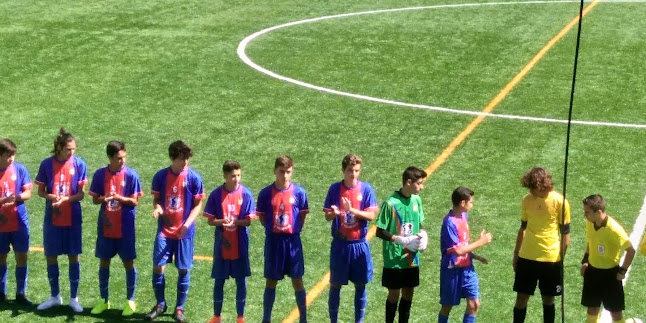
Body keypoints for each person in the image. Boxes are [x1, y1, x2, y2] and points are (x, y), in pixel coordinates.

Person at [145, 140, 205, 323]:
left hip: (184, 232)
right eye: (181, 158)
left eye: (187, 158)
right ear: (172, 158)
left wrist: (187, 224)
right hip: (164, 230)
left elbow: (198, 205)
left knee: (183, 269)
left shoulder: (194, 178)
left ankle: (179, 308)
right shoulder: (160, 177)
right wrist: (158, 208)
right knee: (158, 266)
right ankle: (160, 304)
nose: (185, 162)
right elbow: (156, 200)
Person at [35, 128, 88, 312]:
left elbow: (81, 195)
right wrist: (52, 198)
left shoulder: (80, 164)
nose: (72, 153)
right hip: (53, 217)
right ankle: (55, 296)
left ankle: (74, 298)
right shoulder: (46, 165)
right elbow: (40, 191)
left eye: (73, 149)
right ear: (59, 147)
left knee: (74, 256)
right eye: (68, 149)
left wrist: (66, 199)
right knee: (51, 256)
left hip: (73, 217)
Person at [88, 141, 143, 316]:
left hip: (125, 227)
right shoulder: (99, 175)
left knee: (128, 262)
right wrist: (103, 199)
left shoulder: (131, 175)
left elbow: (135, 202)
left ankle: (130, 301)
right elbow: (94, 199)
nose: (122, 161)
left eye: (124, 157)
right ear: (110, 157)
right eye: (119, 158)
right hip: (105, 225)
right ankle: (104, 301)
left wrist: (119, 197)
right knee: (104, 261)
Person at [323, 154, 378, 323]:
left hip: (359, 244)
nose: (353, 174)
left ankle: (359, 321)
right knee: (335, 285)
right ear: (343, 170)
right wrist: (335, 213)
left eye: (356, 171)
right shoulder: (334, 189)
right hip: (340, 244)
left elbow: (371, 215)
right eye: (350, 170)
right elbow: (327, 217)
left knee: (361, 285)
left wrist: (352, 210)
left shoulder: (366, 189)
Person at [512, 167, 570, 323]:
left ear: (540, 185)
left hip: (550, 259)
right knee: (521, 298)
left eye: (532, 187)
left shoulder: (560, 201)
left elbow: (565, 233)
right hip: (527, 256)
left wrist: (560, 258)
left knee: (548, 299)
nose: (530, 190)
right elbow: (523, 228)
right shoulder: (526, 200)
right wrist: (516, 254)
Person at [257, 155, 309, 323]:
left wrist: (294, 231)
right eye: (281, 172)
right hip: (274, 243)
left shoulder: (299, 193)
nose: (285, 176)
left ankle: (304, 319)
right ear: (274, 171)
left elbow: (302, 215)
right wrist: (272, 229)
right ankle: (266, 319)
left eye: (288, 172)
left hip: (292, 242)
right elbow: (262, 217)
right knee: (271, 281)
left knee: (297, 280)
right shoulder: (266, 194)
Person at [204, 160, 256, 323]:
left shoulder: (246, 194)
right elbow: (210, 221)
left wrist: (235, 222)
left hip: (240, 244)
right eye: (233, 176)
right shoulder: (216, 195)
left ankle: (240, 317)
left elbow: (248, 221)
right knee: (219, 281)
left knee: (241, 281)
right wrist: (222, 222)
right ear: (225, 176)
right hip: (222, 245)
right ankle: (216, 316)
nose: (236, 179)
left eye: (238, 175)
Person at [375, 166, 428, 323]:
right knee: (393, 295)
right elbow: (379, 231)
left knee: (409, 293)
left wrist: (424, 236)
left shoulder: (417, 200)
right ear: (408, 182)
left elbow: (420, 224)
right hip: (394, 259)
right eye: (419, 183)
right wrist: (400, 240)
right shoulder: (390, 203)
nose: (422, 187)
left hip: (411, 258)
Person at [438, 187, 493, 323]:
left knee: (474, 304)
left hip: (467, 269)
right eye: (471, 202)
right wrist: (481, 242)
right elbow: (458, 251)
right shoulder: (449, 222)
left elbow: (463, 245)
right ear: (463, 203)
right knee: (447, 307)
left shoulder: (464, 216)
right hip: (452, 270)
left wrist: (475, 256)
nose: (472, 205)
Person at [580, 194, 635, 323]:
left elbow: (631, 251)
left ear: (598, 212)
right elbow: (590, 241)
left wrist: (622, 271)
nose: (585, 215)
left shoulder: (614, 230)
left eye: (587, 212)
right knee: (592, 309)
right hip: (593, 272)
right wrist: (585, 261)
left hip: (610, 275)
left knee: (615, 313)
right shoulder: (590, 222)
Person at [0, 139, 33, 305]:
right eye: (8, 155)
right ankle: (1, 293)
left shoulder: (20, 169)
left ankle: (21, 293)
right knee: (1, 256)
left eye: (13, 154)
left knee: (22, 256)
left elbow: (28, 193)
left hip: (19, 221)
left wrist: (17, 197)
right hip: (1, 223)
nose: (12, 158)